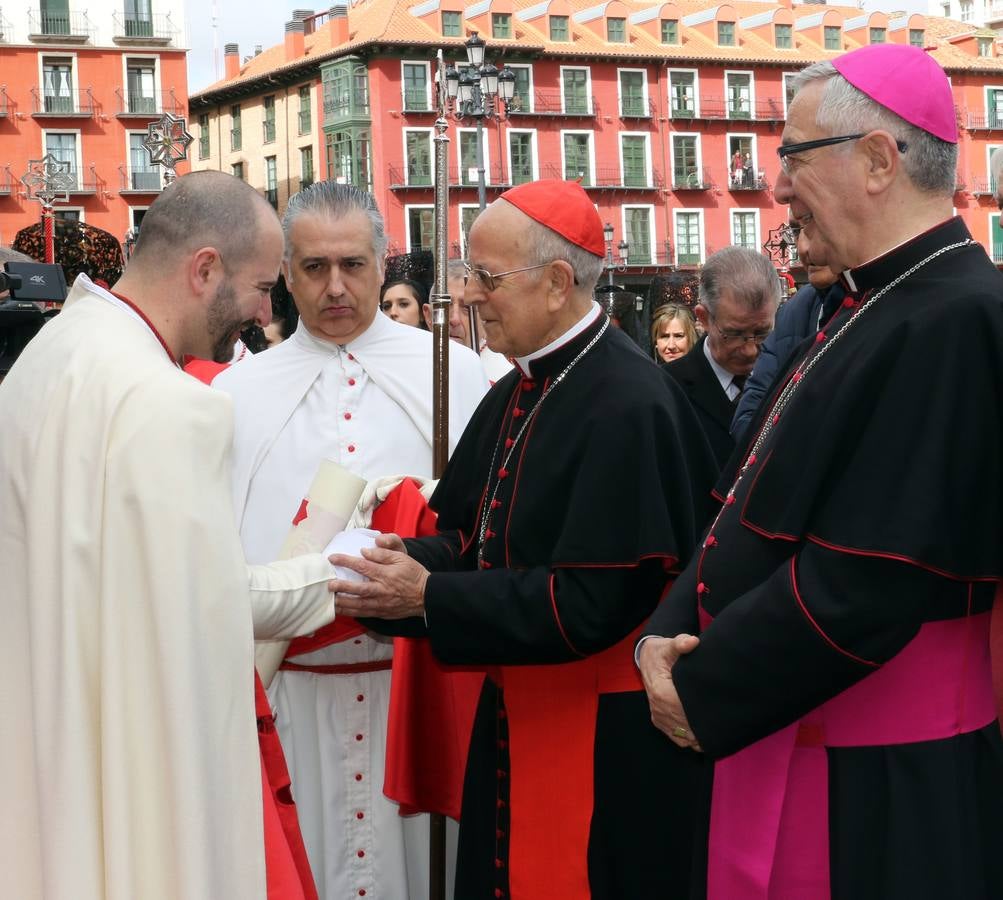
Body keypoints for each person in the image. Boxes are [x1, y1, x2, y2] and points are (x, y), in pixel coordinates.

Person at [639, 43, 1003, 900]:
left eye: (792, 156)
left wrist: (704, 689)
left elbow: (871, 576)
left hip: (886, 779)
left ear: (877, 159)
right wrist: (661, 634)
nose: (775, 187)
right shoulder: (863, 304)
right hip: (802, 722)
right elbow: (744, 505)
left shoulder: (957, 316)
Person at [329, 179, 719, 899]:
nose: (468, 295)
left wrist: (433, 597)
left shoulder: (629, 403)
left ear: (556, 283)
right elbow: (473, 538)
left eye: (486, 278)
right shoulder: (519, 387)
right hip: (517, 713)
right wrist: (393, 566)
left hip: (601, 736)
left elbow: (592, 601)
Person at [0, 170, 347, 900]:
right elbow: (207, 602)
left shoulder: (45, 357)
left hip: (41, 737)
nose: (259, 314)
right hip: (135, 761)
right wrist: (337, 572)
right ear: (204, 270)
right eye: (260, 288)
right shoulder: (174, 404)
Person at [213, 181, 488, 900]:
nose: (335, 286)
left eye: (353, 265)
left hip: (421, 690)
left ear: (383, 262)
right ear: (284, 271)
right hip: (291, 695)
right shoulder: (236, 397)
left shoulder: (456, 376)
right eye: (312, 268)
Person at [662, 246, 779, 469]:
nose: (750, 349)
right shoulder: (667, 389)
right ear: (703, 318)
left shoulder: (790, 377)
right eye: (734, 334)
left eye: (762, 333)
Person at [731, 216, 845, 444]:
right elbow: (748, 421)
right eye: (795, 231)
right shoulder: (795, 311)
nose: (803, 247)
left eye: (816, 224)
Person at [422, 257, 513, 381]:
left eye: (466, 308)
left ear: (485, 316)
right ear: (428, 316)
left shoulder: (503, 378)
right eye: (444, 306)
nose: (454, 319)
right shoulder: (412, 367)